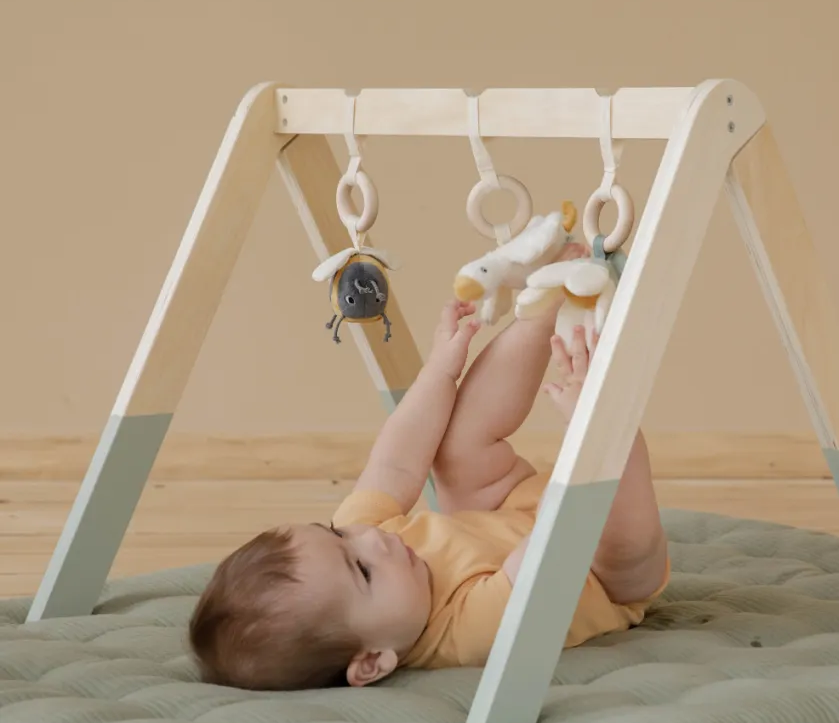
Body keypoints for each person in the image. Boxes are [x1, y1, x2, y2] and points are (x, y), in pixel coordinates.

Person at [189, 286, 669, 691]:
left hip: (504, 512)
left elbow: (395, 460)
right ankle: (607, 426)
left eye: (334, 533)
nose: (369, 538)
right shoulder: (465, 633)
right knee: (616, 540)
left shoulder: (363, 537)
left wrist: (439, 372)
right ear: (372, 661)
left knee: (454, 451)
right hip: (595, 572)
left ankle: (544, 313)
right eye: (363, 572)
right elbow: (551, 549)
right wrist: (585, 435)